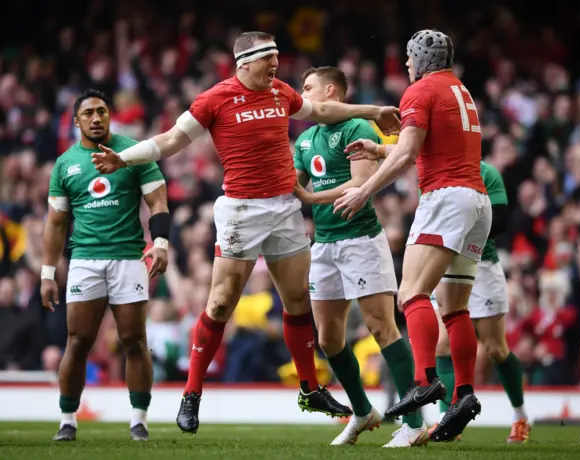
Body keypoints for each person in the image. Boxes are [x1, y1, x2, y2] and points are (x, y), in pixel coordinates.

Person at [91, 31, 401, 434]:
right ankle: (192, 393)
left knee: (296, 302)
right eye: (267, 59)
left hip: (285, 208)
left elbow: (323, 111)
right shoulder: (214, 98)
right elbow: (170, 140)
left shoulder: (281, 92)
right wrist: (124, 158)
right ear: (244, 63)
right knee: (220, 303)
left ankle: (309, 388)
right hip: (241, 210)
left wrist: (376, 110)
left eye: (276, 57)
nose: (275, 65)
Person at [335, 29, 491, 441]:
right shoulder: (461, 90)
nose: (406, 66)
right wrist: (378, 150)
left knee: (411, 295)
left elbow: (408, 153)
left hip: (445, 198)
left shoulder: (420, 91)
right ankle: (464, 393)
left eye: (408, 58)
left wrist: (364, 190)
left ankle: (423, 382)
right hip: (477, 202)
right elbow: (424, 145)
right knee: (455, 309)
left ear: (420, 60)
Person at [293, 66, 427, 448]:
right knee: (329, 337)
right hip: (323, 245)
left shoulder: (358, 128)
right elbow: (294, 185)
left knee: (381, 327)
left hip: (360, 239)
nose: (303, 96)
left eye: (308, 88)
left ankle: (414, 422)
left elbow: (359, 183)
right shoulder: (305, 141)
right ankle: (363, 410)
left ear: (331, 91)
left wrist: (309, 199)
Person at [42, 89, 170, 442]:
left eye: (102, 111)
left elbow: (158, 200)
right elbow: (55, 224)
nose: (96, 118)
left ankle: (139, 420)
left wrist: (160, 242)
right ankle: (68, 420)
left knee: (134, 340)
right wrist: (47, 274)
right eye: (88, 114)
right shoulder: (65, 164)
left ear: (110, 115)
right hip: (84, 259)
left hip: (129, 258)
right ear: (76, 121)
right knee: (78, 341)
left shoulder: (133, 151)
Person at [430, 161, 530, 443]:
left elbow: (499, 220)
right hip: (446, 264)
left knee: (496, 349)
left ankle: (520, 415)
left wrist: (458, 228)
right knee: (442, 345)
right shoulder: (435, 168)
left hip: (481, 264)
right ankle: (445, 420)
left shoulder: (486, 173)